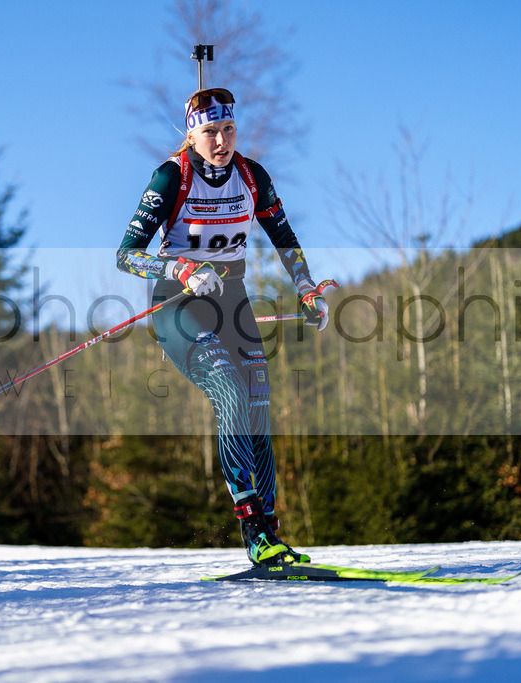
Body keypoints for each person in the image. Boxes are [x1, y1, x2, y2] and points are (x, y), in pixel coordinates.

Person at [115, 87, 333, 567]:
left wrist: (307, 288)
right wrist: (183, 270)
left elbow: (284, 236)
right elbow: (126, 255)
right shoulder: (172, 176)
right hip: (179, 303)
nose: (221, 141)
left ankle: (272, 534)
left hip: (232, 299)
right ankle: (253, 531)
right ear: (191, 133)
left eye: (228, 129)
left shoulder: (252, 176)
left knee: (257, 408)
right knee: (230, 392)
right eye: (210, 131)